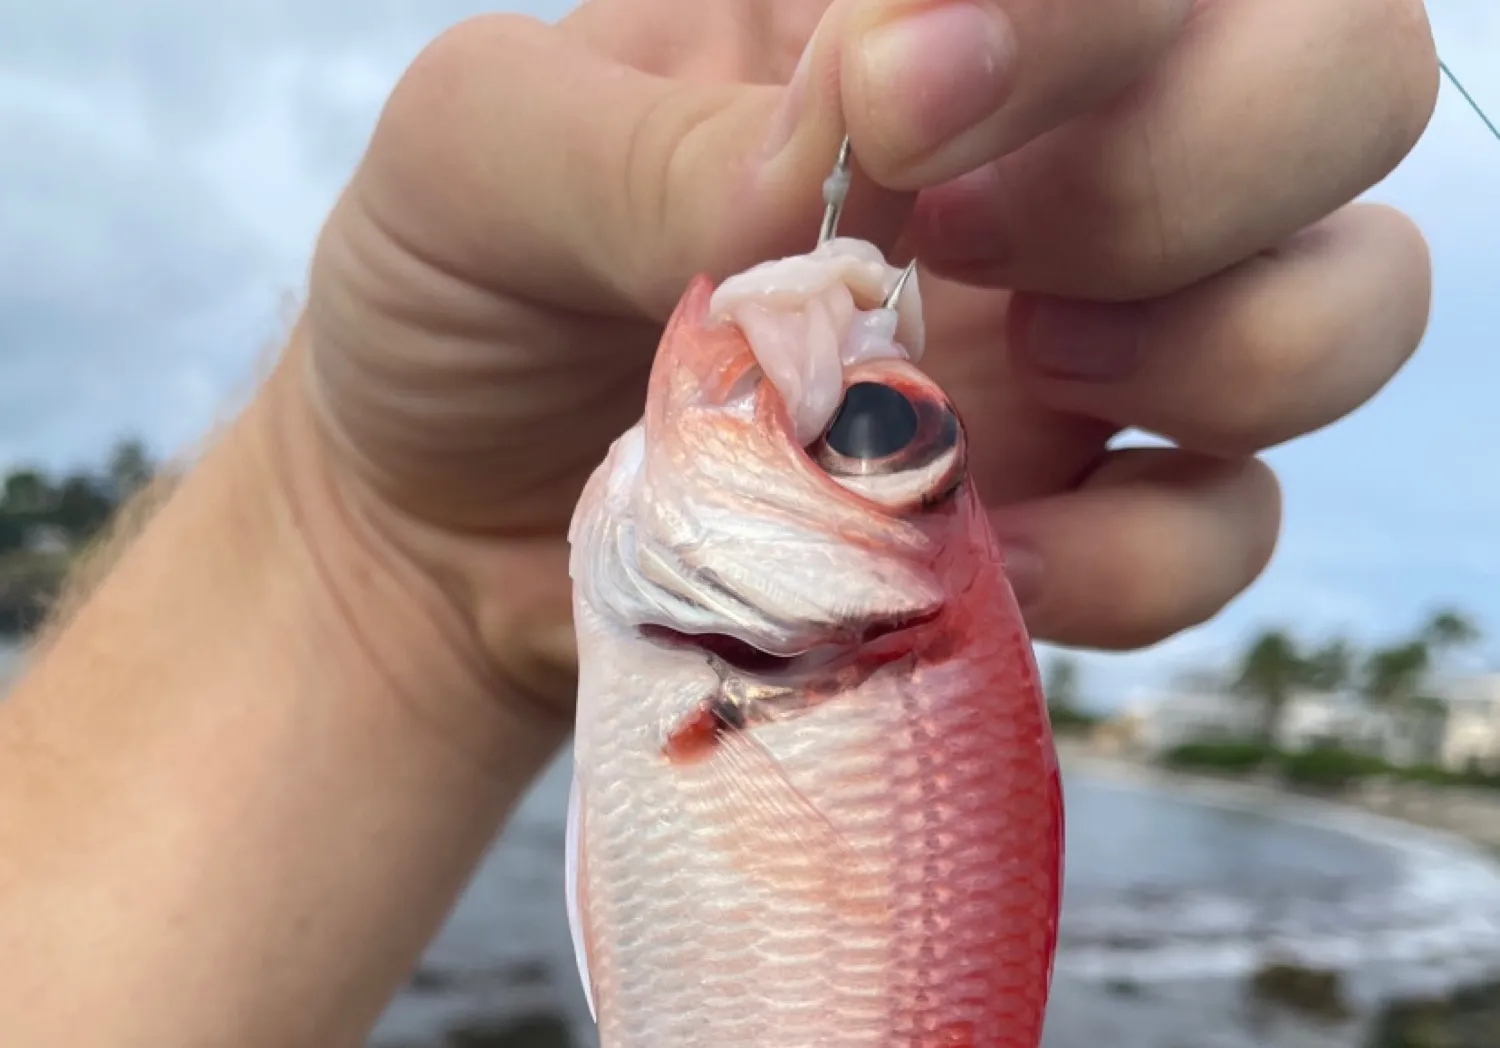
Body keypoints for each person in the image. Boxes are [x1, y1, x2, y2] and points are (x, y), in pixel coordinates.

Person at [0, 0, 1439, 1043]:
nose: (852, 384)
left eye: (881, 435)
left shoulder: (718, 630)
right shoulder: (711, 633)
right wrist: (368, 545)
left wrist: (374, 551)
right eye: (890, 441)